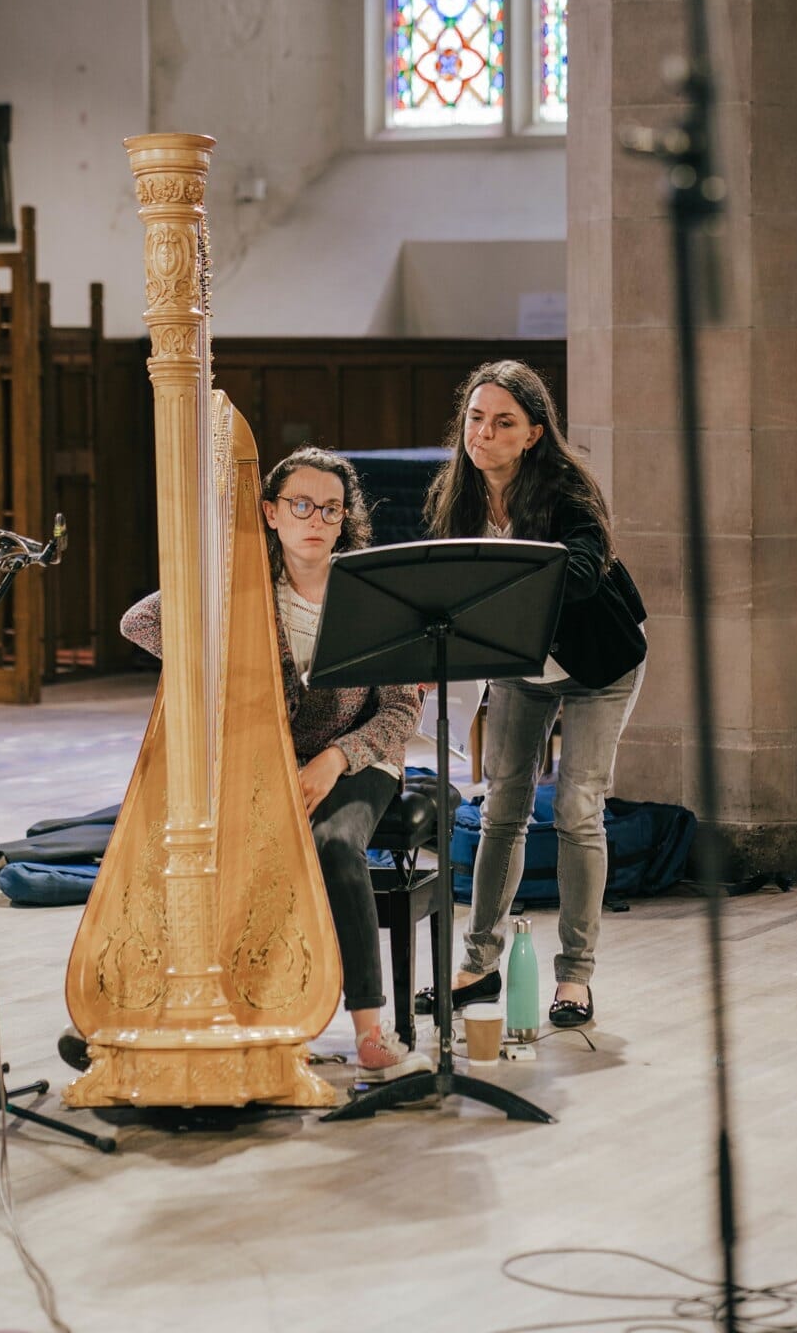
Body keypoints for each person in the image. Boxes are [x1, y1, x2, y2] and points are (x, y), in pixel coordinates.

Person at [117, 445, 431, 1081]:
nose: (317, 519)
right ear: (270, 512)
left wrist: (336, 760)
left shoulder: (373, 594)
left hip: (359, 758)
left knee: (335, 844)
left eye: (332, 509)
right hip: (265, 761)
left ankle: (369, 1030)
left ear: (345, 520)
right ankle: (189, 1008)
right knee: (195, 846)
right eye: (302, 505)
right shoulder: (245, 591)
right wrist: (212, 575)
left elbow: (401, 712)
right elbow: (139, 623)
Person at [418, 359, 647, 1029]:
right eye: (475, 419)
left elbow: (580, 573)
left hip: (599, 662)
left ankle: (575, 976)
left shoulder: (567, 491)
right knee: (502, 808)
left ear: (533, 434)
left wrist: (495, 596)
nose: (484, 434)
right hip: (520, 664)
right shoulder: (458, 495)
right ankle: (478, 964)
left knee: (577, 808)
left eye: (503, 422)